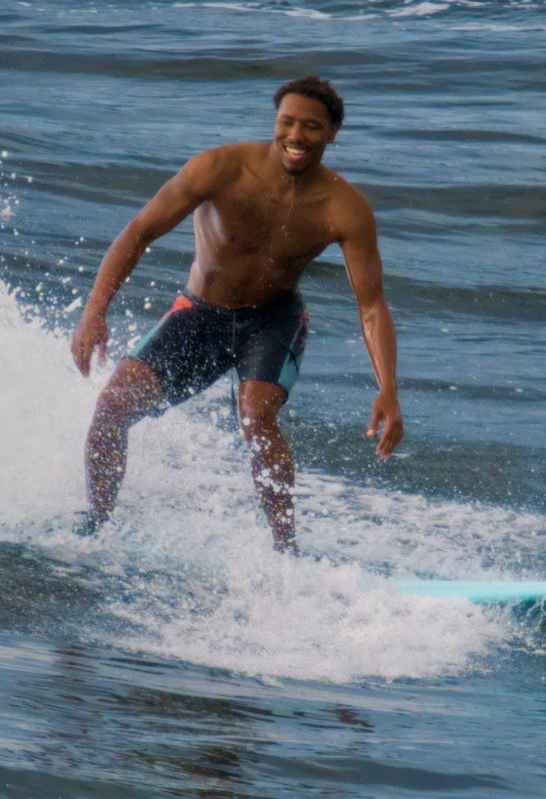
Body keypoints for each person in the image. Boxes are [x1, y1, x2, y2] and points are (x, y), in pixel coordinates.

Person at [70, 75, 403, 551]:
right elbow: (138, 231)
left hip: (272, 321)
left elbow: (371, 304)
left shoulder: (344, 208)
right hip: (199, 314)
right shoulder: (220, 168)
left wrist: (388, 389)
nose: (296, 136)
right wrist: (94, 313)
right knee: (111, 408)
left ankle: (286, 552)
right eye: (287, 122)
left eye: (311, 127)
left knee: (256, 418)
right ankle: (96, 527)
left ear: (332, 134)